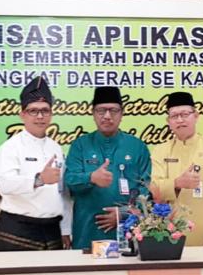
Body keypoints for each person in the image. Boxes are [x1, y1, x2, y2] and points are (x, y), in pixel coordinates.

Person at [64, 86, 151, 250]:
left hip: (128, 231)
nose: (107, 116)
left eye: (113, 110)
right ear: (93, 113)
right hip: (87, 231)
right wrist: (91, 178)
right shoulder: (80, 145)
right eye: (101, 110)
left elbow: (145, 190)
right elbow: (70, 181)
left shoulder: (137, 147)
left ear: (122, 114)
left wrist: (124, 213)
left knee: (128, 265)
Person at [0, 76, 71, 251]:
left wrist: (65, 228)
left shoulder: (56, 148)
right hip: (18, 230)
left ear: (51, 114)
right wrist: (39, 179)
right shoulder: (10, 147)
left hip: (52, 229)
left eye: (45, 110)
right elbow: (5, 184)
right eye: (33, 111)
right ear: (22, 115)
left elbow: (61, 191)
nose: (40, 116)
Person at [150, 92, 203, 246]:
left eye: (185, 114)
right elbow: (154, 189)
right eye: (174, 116)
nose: (180, 120)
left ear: (196, 116)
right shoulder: (160, 151)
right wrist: (177, 183)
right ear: (168, 121)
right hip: (169, 234)